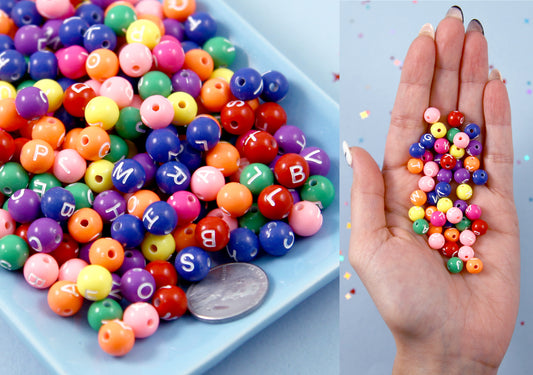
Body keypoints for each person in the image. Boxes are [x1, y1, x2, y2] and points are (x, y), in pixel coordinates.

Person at [344, 5, 520, 374]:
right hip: (444, 218)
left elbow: (459, 194)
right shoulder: (433, 185)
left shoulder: (455, 188)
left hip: (451, 222)